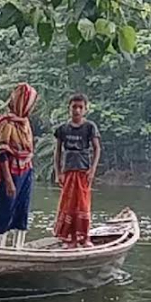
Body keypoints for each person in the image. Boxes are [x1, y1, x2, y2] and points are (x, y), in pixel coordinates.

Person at [0, 83, 38, 248]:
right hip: (11, 172)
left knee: (22, 208)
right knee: (5, 208)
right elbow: (1, 152)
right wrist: (8, 181)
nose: (32, 107)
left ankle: (18, 247)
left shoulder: (24, 123)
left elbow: (27, 149)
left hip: (26, 171)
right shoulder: (8, 124)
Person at [52, 94, 101, 248]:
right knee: (68, 205)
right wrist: (58, 172)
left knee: (83, 204)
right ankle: (70, 238)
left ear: (85, 109)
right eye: (74, 107)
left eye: (80, 107)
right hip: (68, 171)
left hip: (83, 171)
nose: (77, 110)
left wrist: (92, 170)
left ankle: (84, 237)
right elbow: (57, 152)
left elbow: (97, 148)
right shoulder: (62, 129)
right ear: (69, 108)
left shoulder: (90, 127)